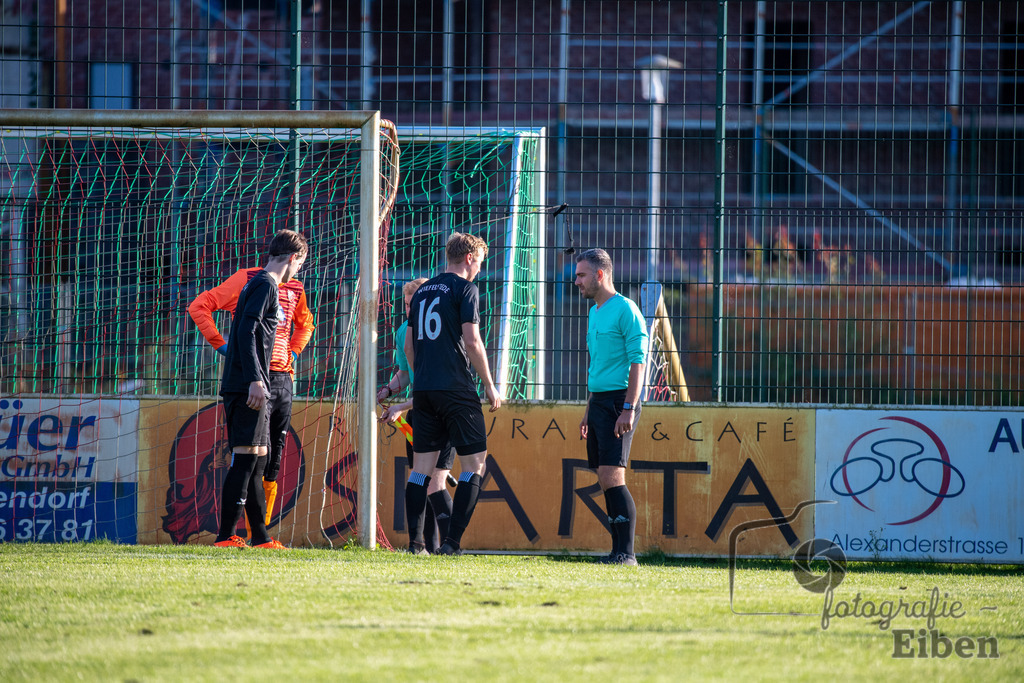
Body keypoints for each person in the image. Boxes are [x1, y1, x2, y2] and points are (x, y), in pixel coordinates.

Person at [189, 236, 315, 537]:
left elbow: (304, 324)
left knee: (262, 457)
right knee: (246, 456)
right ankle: (229, 534)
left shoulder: (284, 287)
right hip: (253, 379)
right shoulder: (257, 282)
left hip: (278, 379)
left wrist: (292, 354)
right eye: (300, 265)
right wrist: (226, 349)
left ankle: (260, 535)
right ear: (293, 258)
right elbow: (243, 330)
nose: (299, 274)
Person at [404, 232, 502, 556]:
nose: (479, 271)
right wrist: (488, 384)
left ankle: (416, 544)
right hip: (456, 389)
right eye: (480, 264)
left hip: (424, 390)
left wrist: (423, 378)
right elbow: (472, 342)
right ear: (470, 258)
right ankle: (451, 544)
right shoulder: (466, 289)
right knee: (474, 466)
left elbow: (409, 345)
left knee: (421, 471)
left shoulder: (421, 293)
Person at [574, 248, 648, 566]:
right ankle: (617, 552)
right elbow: (598, 365)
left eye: (581, 275)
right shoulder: (594, 312)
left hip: (621, 400)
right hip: (600, 402)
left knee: (613, 475)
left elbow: (639, 362)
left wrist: (628, 407)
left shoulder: (626, 310)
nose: (576, 281)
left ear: (600, 275)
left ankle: (626, 554)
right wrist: (590, 408)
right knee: (605, 476)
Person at [377, 277, 454, 554]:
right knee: (420, 479)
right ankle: (420, 546)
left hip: (442, 412)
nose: (410, 309)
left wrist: (401, 407)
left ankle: (450, 546)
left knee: (435, 480)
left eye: (415, 303)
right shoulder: (403, 331)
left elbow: (434, 387)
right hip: (419, 414)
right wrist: (387, 391)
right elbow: (407, 374)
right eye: (407, 304)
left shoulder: (443, 330)